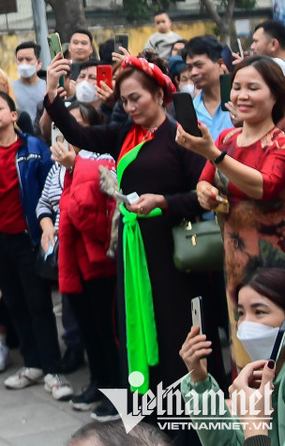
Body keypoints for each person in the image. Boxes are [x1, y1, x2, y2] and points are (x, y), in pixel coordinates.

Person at [45, 51, 227, 428]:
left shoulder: (183, 137)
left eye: (137, 98)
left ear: (160, 95)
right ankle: (154, 422)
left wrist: (164, 202)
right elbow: (80, 134)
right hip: (134, 251)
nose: (130, 107)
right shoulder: (124, 135)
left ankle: (195, 424)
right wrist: (53, 94)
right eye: (124, 100)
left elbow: (206, 194)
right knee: (140, 331)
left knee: (180, 334)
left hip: (176, 254)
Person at [0, 91, 73, 399]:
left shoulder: (34, 147)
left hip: (29, 238)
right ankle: (33, 364)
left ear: (13, 115)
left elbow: (51, 187)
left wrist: (47, 225)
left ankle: (54, 370)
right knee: (16, 306)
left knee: (39, 305)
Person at [177, 56, 285, 368]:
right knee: (243, 346)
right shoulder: (227, 138)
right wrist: (207, 195)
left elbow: (266, 186)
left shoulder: (277, 142)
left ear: (275, 94)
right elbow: (203, 184)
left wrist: (212, 153)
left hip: (274, 262)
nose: (242, 95)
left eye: (253, 87)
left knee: (274, 349)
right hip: (235, 261)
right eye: (237, 87)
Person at [38, 102, 121, 421]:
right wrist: (48, 224)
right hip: (74, 258)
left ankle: (117, 393)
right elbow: (47, 201)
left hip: (99, 260)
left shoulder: (101, 160)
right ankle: (98, 384)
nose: (68, 130)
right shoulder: (59, 164)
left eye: (75, 123)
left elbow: (90, 216)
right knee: (87, 327)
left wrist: (76, 167)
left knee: (106, 328)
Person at [180, 267, 285, 446]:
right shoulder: (260, 383)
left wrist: (255, 427)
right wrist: (199, 381)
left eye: (259, 312)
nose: (245, 324)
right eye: (241, 314)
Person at [182, 36, 233, 136]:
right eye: (189, 68)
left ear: (220, 63)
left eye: (199, 65)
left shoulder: (239, 102)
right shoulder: (191, 110)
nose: (193, 73)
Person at [13, 41, 47, 124]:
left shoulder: (48, 87)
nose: (24, 63)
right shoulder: (9, 88)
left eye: (28, 59)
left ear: (39, 63)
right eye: (20, 60)